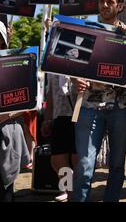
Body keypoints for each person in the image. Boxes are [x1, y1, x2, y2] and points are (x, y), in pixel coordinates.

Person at [71, 0, 126, 202]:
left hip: (120, 106)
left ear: (120, 5)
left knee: (117, 164)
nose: (104, 5)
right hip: (89, 106)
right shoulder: (86, 30)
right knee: (85, 163)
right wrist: (75, 78)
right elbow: (73, 62)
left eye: (110, 1)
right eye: (102, 1)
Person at [0, 18, 30, 201]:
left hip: (4, 136)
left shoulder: (14, 61)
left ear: (1, 38)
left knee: (3, 190)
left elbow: (25, 103)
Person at [40, 74, 77, 202]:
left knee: (76, 159)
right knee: (57, 160)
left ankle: (73, 193)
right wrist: (47, 119)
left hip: (80, 114)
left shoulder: (80, 57)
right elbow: (50, 94)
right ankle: (70, 191)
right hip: (58, 117)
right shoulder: (52, 64)